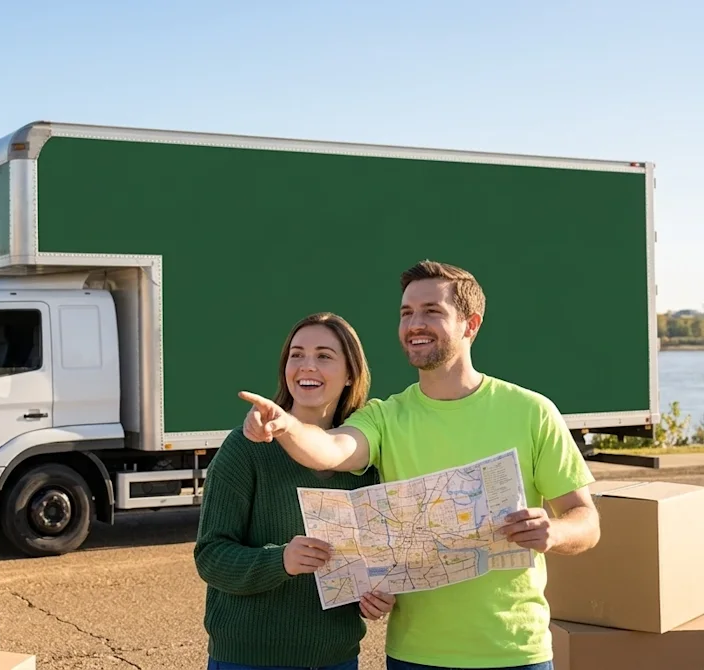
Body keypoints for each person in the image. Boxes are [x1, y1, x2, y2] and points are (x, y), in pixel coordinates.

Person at [239, 261, 601, 670]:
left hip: (515, 652)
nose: (415, 324)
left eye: (432, 311)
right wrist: (287, 425)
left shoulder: (532, 412)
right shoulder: (385, 416)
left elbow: (586, 521)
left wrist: (553, 531)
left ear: (471, 324)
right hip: (415, 656)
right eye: (406, 312)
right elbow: (332, 449)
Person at [195, 312, 396, 670]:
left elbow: (365, 564)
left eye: (324, 355)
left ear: (351, 373)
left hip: (336, 661)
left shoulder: (366, 461)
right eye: (296, 354)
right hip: (247, 661)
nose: (307, 366)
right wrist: (281, 560)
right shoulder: (246, 448)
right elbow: (211, 556)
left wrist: (375, 595)